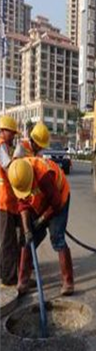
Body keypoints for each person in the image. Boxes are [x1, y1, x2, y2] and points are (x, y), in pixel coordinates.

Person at [8, 156, 74, 296]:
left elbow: (55, 204)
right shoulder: (17, 175)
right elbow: (23, 205)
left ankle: (68, 282)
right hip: (40, 200)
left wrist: (42, 220)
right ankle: (23, 282)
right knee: (27, 240)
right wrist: (27, 230)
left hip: (59, 198)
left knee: (57, 237)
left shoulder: (44, 175)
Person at [0, 116, 20, 287]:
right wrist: (18, 157)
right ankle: (9, 278)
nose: (13, 135)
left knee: (6, 239)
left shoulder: (5, 146)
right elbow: (8, 168)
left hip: (6, 201)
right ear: (3, 131)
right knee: (7, 241)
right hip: (4, 201)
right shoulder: (0, 145)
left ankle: (6, 273)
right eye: (11, 132)